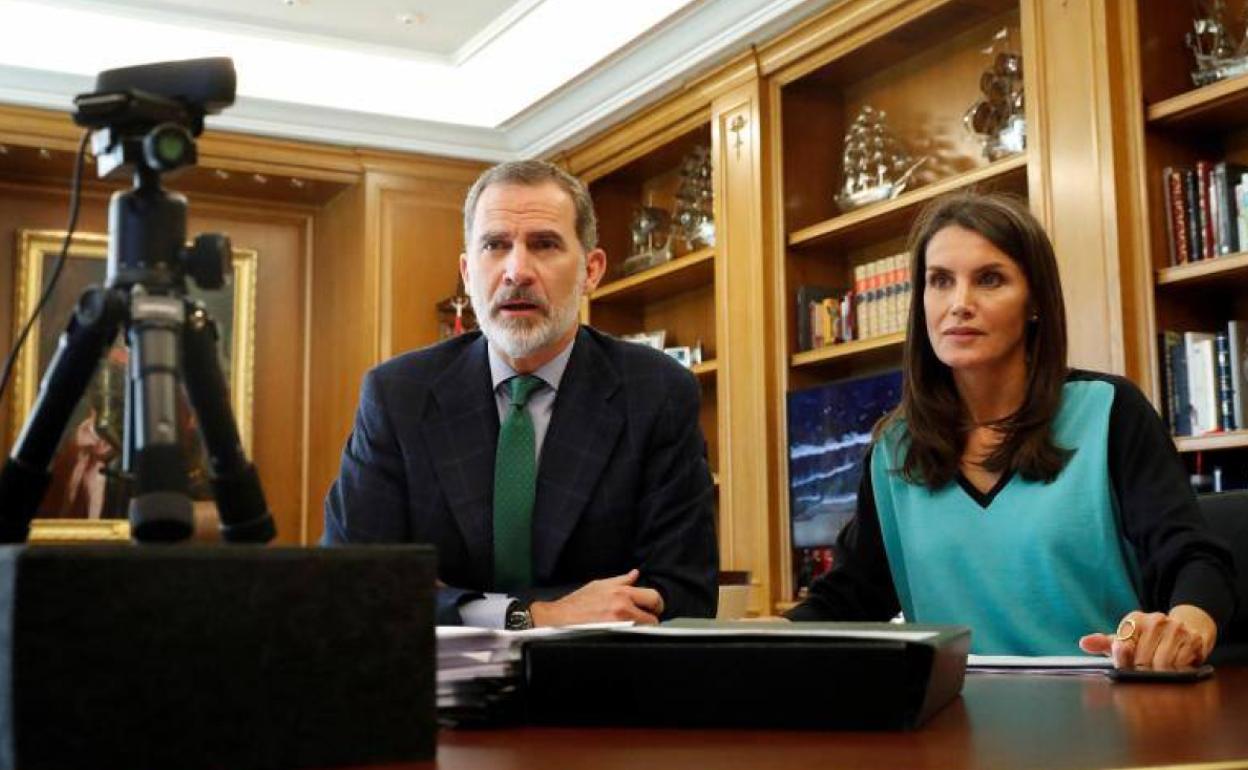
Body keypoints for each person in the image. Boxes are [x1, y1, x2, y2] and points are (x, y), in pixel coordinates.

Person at [786, 192, 1237, 670]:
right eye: (940, 281)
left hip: (1104, 711)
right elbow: (852, 598)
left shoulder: (1109, 410)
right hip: (954, 722)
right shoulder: (892, 451)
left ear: (1035, 302)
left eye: (990, 279)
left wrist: (1185, 624)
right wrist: (748, 641)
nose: (959, 304)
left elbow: (1194, 557)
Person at [323, 159, 719, 628]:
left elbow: (685, 594)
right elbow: (349, 586)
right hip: (438, 694)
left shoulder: (656, 394)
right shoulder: (397, 396)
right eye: (495, 245)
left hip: (599, 690)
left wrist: (450, 601)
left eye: (545, 244)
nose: (517, 270)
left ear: (591, 270)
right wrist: (536, 615)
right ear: (469, 273)